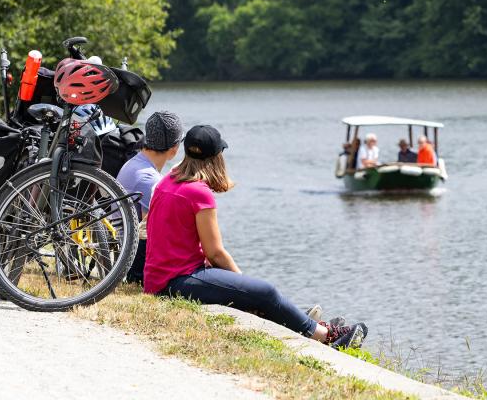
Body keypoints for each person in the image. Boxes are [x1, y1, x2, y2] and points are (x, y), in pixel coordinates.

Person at [144, 124, 368, 350]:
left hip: (160, 277)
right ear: (216, 158)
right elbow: (215, 252)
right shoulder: (198, 192)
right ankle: (326, 335)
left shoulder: (169, 180)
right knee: (263, 290)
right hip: (175, 281)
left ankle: (299, 319)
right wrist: (243, 284)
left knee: (255, 293)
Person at [117, 111, 183, 284]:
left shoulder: (135, 162)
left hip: (121, 242)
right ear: (174, 149)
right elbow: (151, 232)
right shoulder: (150, 179)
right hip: (131, 256)